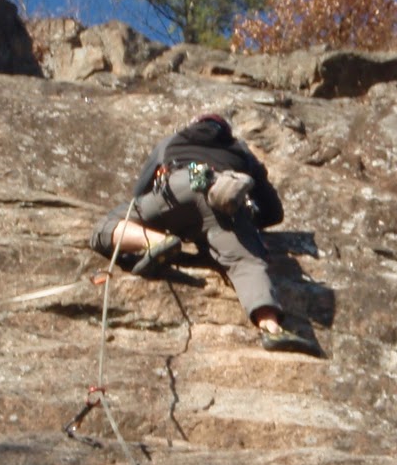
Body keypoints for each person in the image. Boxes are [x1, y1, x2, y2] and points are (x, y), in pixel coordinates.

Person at [90, 110, 315, 353]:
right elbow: (273, 212)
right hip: (221, 195)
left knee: (106, 226)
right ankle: (271, 328)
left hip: (178, 186)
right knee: (246, 262)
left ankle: (156, 241)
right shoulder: (240, 150)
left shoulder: (172, 141)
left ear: (195, 125)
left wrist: (161, 217)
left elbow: (140, 191)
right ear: (226, 131)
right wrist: (244, 226)